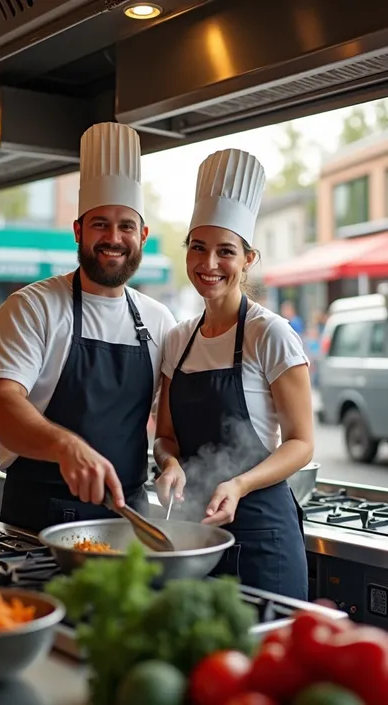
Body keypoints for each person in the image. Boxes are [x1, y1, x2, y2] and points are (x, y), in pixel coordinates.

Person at [0, 122, 176, 533]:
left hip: (129, 520)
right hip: (41, 520)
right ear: (78, 231)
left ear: (142, 235)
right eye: (100, 224)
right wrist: (66, 446)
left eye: (125, 226)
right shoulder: (33, 306)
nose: (113, 238)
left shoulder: (159, 320)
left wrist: (172, 461)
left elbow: (168, 426)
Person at [154, 149, 313, 600]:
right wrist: (168, 465)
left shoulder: (271, 333)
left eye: (226, 251)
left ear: (248, 259)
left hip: (263, 538)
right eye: (199, 248)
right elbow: (166, 437)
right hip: (193, 540)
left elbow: (302, 443)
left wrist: (239, 483)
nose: (209, 264)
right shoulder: (178, 340)